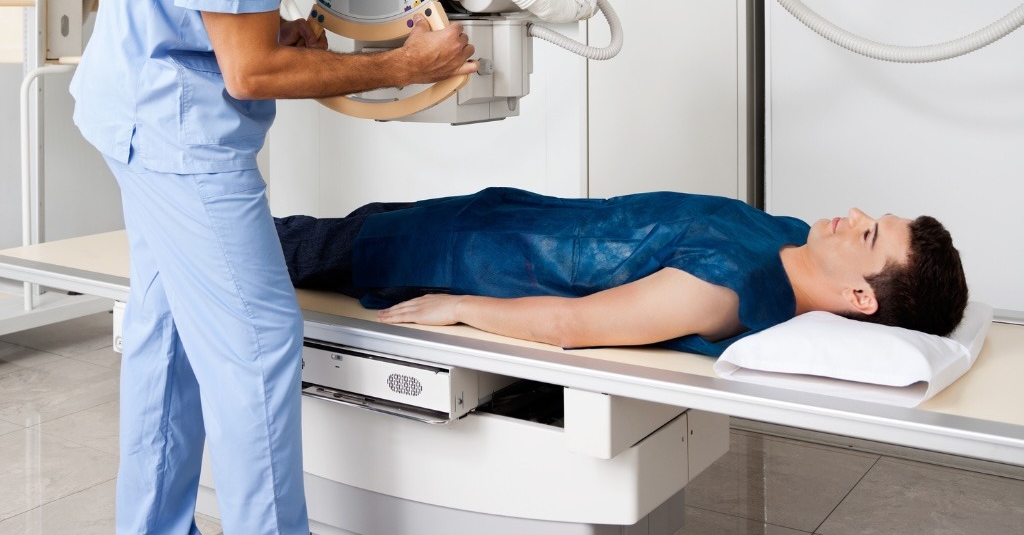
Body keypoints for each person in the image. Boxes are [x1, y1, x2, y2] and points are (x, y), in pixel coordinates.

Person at [70, 0, 476, 535]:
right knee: (258, 350)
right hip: (174, 127)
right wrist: (403, 65)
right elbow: (248, 74)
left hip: (139, 91)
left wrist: (277, 26)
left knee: (167, 341)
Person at [274, 187, 969, 356]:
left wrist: (460, 307)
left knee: (283, 249)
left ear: (859, 296)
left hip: (469, 261)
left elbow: (576, 324)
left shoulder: (730, 286)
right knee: (307, 234)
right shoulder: (788, 237)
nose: (854, 213)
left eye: (871, 233)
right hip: (495, 216)